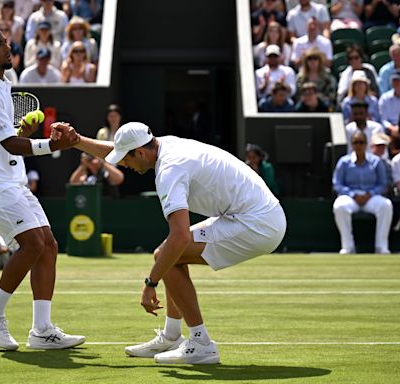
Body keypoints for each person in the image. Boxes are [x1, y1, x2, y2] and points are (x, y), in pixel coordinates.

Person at [59, 121, 287, 365]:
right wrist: (77, 141)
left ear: (140, 153)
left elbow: (179, 238)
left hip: (257, 223)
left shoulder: (170, 169)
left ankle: (201, 344)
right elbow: (117, 150)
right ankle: (171, 337)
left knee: (168, 254)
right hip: (257, 214)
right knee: (168, 254)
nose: (124, 165)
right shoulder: (161, 144)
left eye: (125, 160)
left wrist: (151, 283)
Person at [0, 22, 84, 351]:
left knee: (49, 245)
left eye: (6, 41)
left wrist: (26, 132)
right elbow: (11, 146)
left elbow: (8, 141)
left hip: (8, 178)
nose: (7, 47)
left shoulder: (3, 82)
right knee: (31, 244)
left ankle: (42, 331)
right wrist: (53, 146)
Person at [332, 130, 393, 254]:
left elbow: (383, 184)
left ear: (366, 144)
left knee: (386, 205)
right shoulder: (344, 162)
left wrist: (369, 194)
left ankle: (381, 247)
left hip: (371, 197)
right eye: (356, 142)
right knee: (339, 206)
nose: (358, 145)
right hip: (351, 197)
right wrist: (353, 194)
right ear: (352, 144)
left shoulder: (376, 161)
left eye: (361, 142)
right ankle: (348, 246)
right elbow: (337, 184)